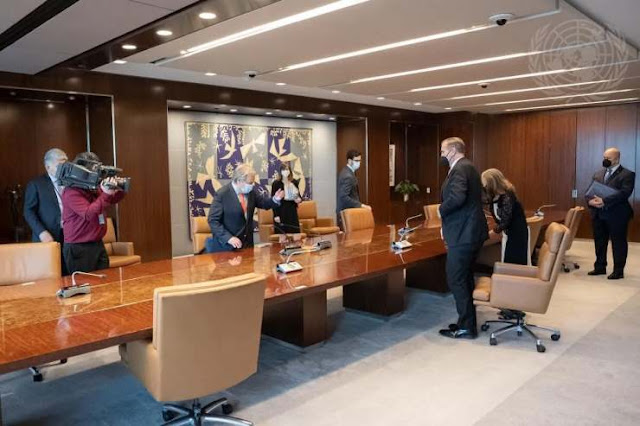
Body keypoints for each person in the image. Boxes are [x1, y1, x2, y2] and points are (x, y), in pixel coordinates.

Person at [438, 137, 488, 339]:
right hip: (471, 231)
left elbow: (457, 198)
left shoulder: (460, 168)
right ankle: (466, 322)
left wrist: (441, 210)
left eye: (442, 151)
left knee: (456, 278)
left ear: (452, 150)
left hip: (464, 233)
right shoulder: (470, 167)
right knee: (465, 277)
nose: (441, 154)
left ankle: (467, 326)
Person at [62, 152, 126, 274]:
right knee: (86, 286)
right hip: (79, 248)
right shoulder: (71, 191)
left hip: (97, 243)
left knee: (105, 284)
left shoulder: (91, 187)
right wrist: (106, 193)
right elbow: (88, 213)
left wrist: (118, 189)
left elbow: (110, 200)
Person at [206, 164, 284, 252]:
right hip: (228, 247)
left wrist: (275, 199)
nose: (253, 185)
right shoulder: (222, 194)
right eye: (250, 183)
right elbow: (213, 220)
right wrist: (229, 238)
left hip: (247, 246)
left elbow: (264, 203)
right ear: (239, 181)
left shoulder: (251, 193)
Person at [586, 147, 635, 280]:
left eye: (608, 158)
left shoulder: (627, 174)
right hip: (598, 214)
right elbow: (590, 191)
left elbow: (624, 193)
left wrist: (604, 200)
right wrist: (590, 201)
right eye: (604, 157)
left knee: (618, 243)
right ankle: (600, 267)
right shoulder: (598, 173)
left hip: (617, 215)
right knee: (600, 241)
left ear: (617, 159)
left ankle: (618, 271)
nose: (605, 160)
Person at [24, 148, 69, 274]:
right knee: (50, 273)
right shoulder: (36, 184)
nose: (64, 168)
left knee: (68, 272)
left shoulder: (70, 182)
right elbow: (28, 212)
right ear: (48, 167)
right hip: (48, 235)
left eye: (66, 164)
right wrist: (41, 232)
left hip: (69, 234)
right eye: (60, 165)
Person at [481, 168, 529, 265]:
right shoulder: (495, 196)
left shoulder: (508, 197)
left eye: (485, 184)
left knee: (513, 263)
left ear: (492, 184)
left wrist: (488, 235)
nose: (484, 187)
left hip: (516, 235)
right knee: (508, 261)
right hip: (507, 234)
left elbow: (504, 222)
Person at [336, 149, 371, 229]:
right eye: (356, 160)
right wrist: (361, 205)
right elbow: (343, 197)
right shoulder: (347, 175)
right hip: (347, 214)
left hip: (350, 213)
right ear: (349, 160)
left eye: (359, 160)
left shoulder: (349, 172)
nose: (358, 163)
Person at [271, 163, 302, 234]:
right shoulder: (276, 183)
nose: (286, 171)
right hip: (280, 212)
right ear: (280, 171)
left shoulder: (294, 182)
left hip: (292, 212)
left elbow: (299, 197)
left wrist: (298, 200)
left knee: (296, 236)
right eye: (284, 170)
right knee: (282, 238)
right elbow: (273, 201)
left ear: (290, 171)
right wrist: (276, 215)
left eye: (287, 169)